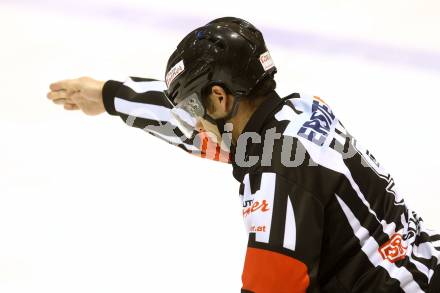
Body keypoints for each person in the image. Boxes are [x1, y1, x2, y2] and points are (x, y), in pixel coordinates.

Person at [47, 17, 440, 293]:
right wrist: (110, 95)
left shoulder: (276, 173)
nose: (192, 124)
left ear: (219, 98)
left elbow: (271, 284)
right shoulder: (301, 111)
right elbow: (207, 136)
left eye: (192, 109)